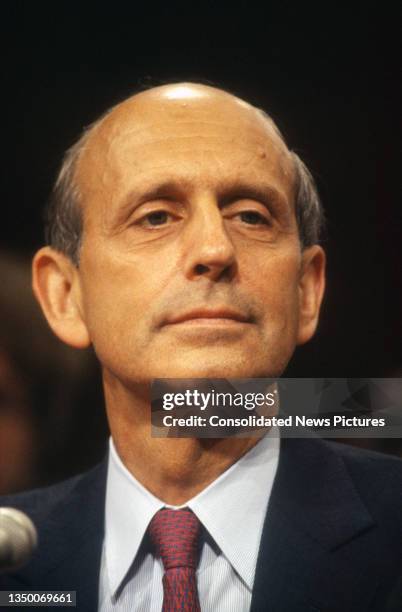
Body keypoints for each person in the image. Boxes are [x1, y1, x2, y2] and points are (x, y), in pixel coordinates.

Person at [1, 83, 401, 611]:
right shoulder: (15, 571)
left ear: (306, 291)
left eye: (251, 216)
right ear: (66, 295)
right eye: (156, 216)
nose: (215, 249)